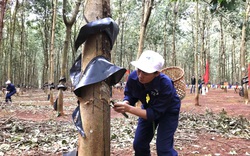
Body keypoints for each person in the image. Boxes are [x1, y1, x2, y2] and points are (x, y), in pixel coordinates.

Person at [113, 50, 181, 156]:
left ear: (157, 73)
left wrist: (129, 109)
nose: (140, 75)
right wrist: (126, 102)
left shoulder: (165, 84)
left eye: (145, 72)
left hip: (168, 111)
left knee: (164, 149)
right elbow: (130, 94)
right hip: (147, 106)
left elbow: (153, 114)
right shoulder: (133, 77)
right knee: (139, 144)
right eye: (139, 70)